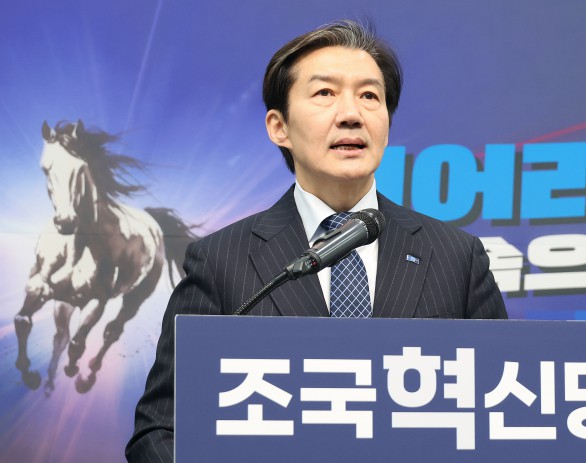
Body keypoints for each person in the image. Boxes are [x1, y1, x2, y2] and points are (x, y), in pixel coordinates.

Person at [126, 19, 507, 461]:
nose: (351, 114)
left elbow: (502, 410)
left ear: (387, 124)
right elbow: (160, 430)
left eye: (370, 96)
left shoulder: (455, 257)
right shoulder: (221, 261)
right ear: (279, 127)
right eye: (325, 93)